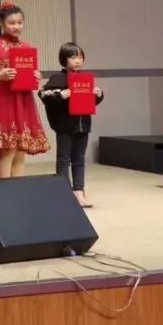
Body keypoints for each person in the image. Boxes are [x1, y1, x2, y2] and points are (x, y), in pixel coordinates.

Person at [0, 2, 50, 178]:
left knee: (20, 150)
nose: (16, 27)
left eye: (20, 22)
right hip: (2, 100)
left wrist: (35, 75)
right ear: (1, 23)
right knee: (8, 149)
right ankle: (4, 190)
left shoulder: (26, 47)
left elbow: (29, 74)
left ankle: (18, 189)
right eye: (11, 23)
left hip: (23, 101)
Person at [39, 42, 104, 208]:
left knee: (79, 160)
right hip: (64, 126)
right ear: (64, 59)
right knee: (64, 160)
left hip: (83, 125)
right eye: (73, 57)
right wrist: (60, 95)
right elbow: (43, 94)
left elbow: (91, 102)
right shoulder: (57, 78)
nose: (77, 60)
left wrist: (98, 95)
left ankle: (79, 192)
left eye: (80, 57)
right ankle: (64, 193)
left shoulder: (85, 79)